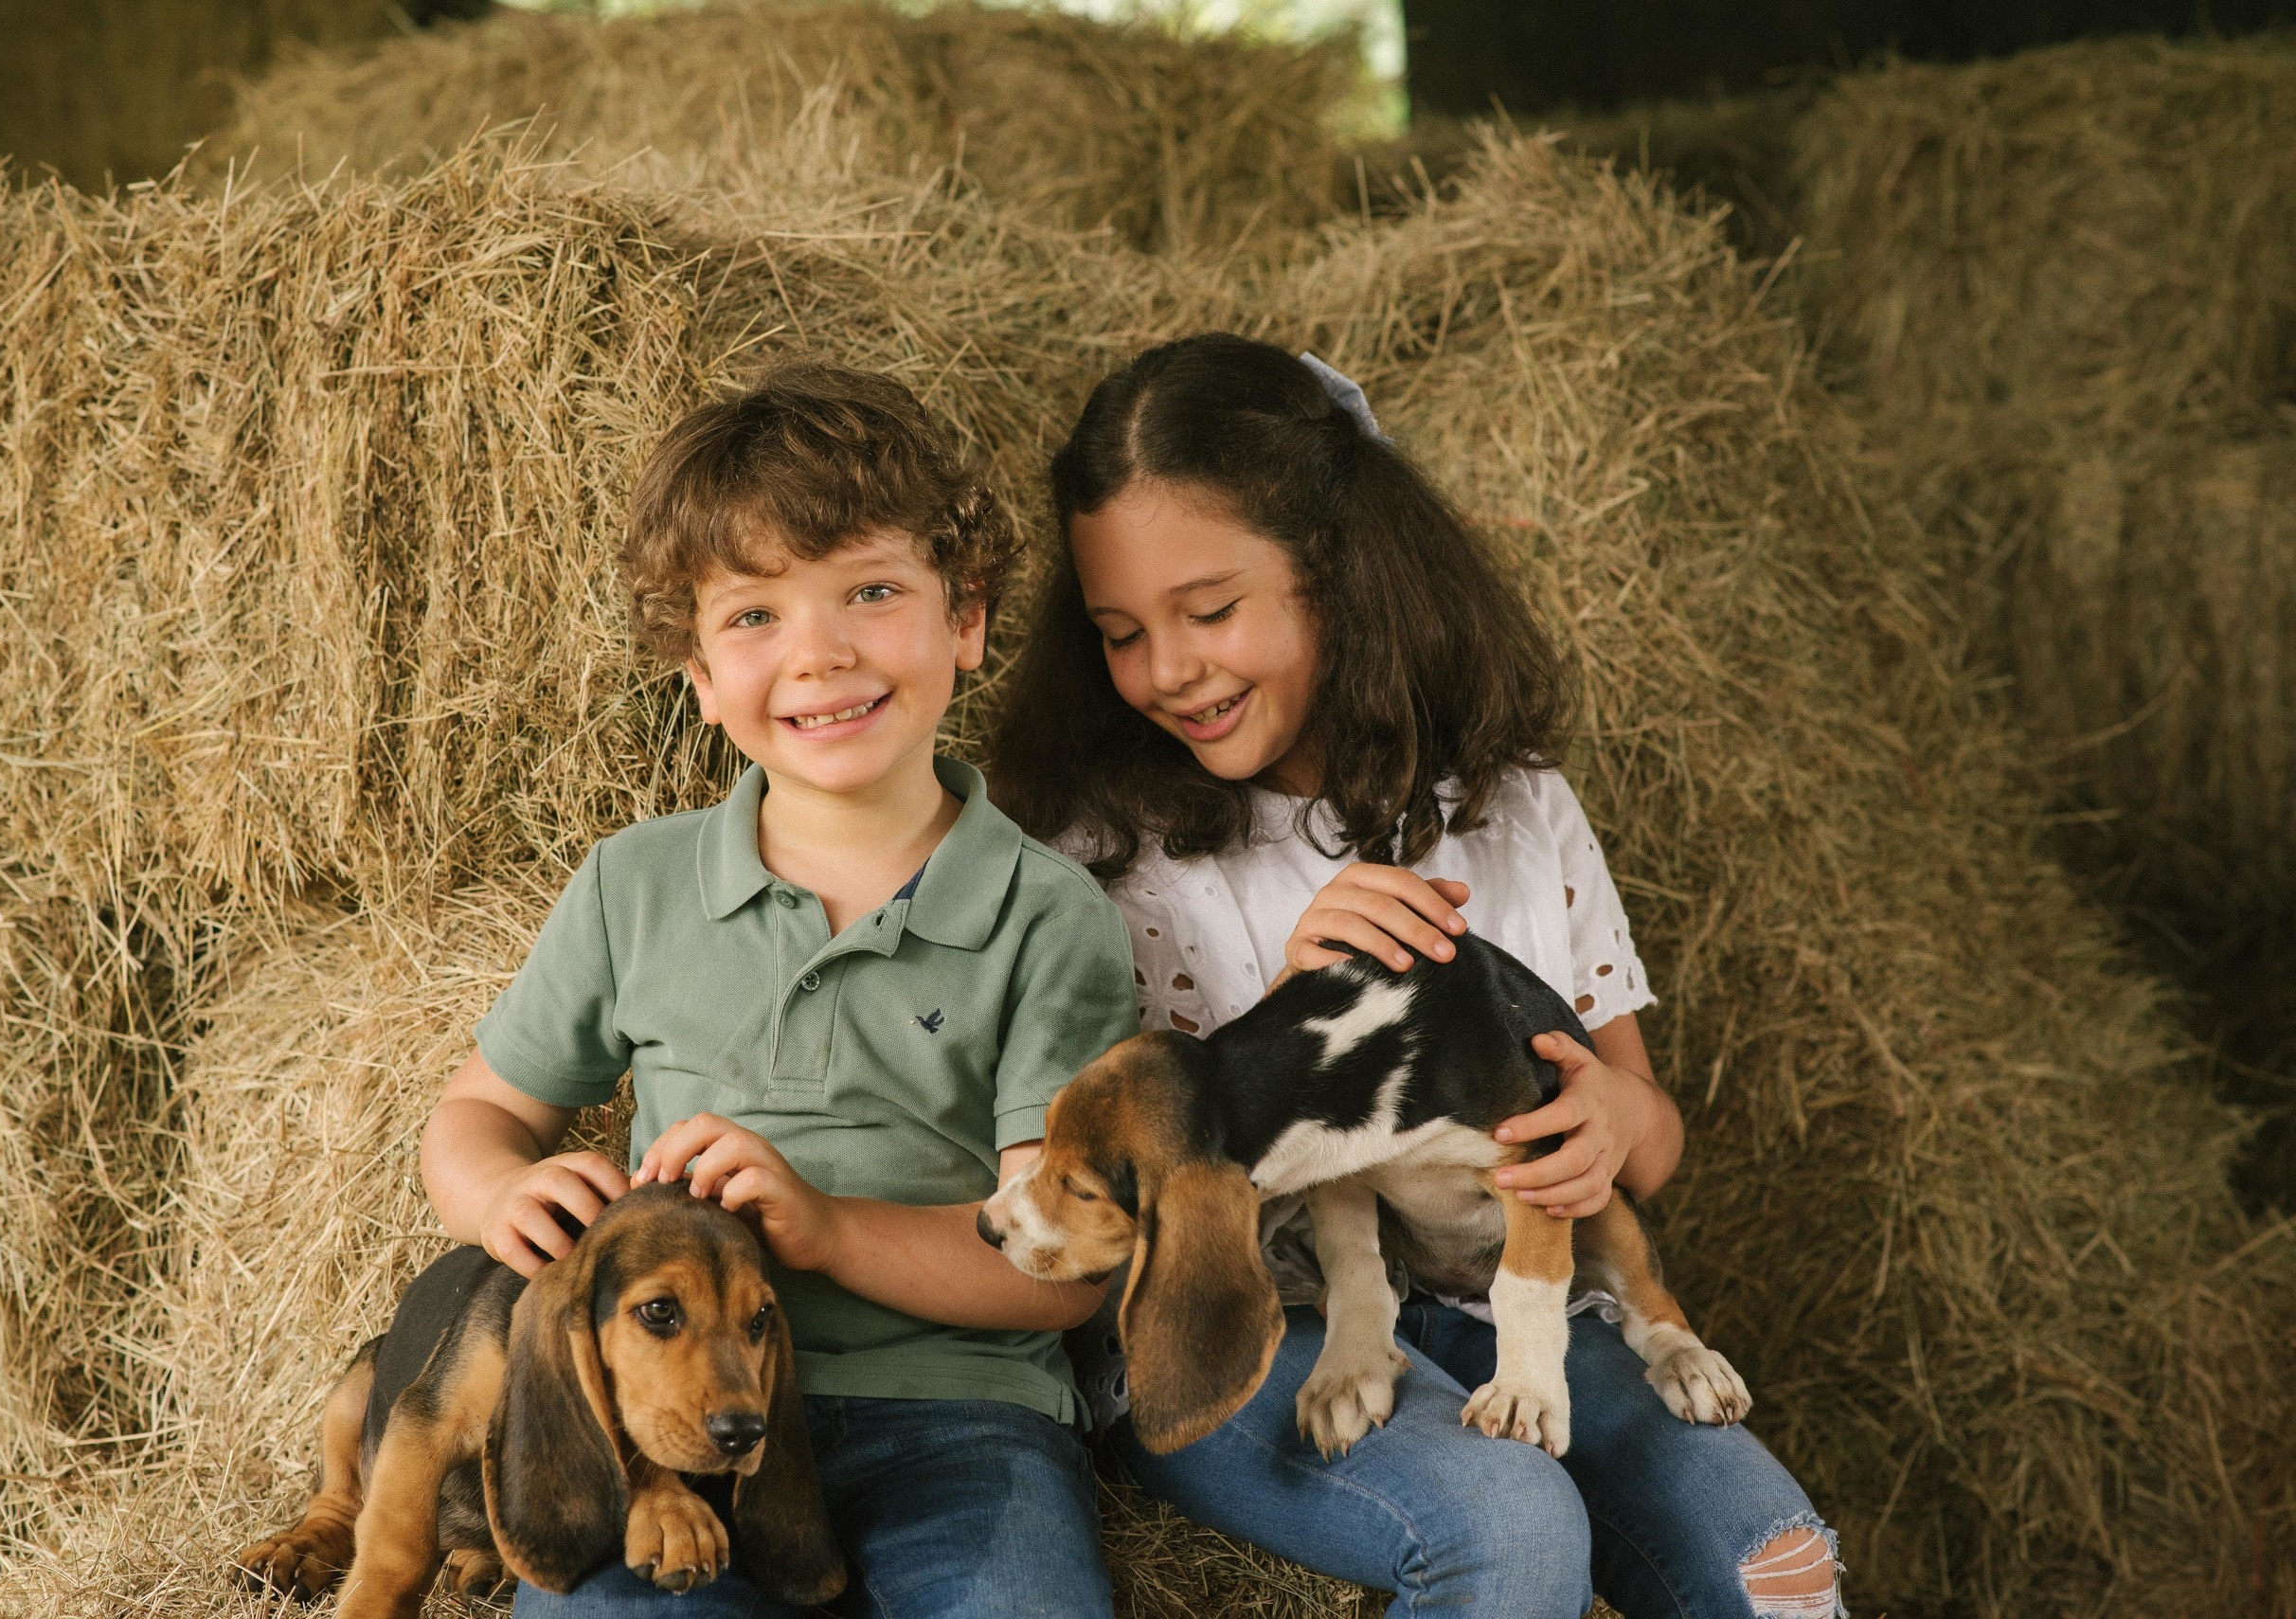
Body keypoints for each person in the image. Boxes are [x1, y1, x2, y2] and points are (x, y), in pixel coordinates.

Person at [989, 333, 1844, 1619]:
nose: (1169, 669)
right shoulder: (1114, 860)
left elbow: (1647, 1140)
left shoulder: (1515, 812)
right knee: (1509, 1524)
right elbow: (1107, 1188)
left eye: (1211, 612)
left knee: (1778, 1566)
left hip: (1516, 1302)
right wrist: (1289, 1018)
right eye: (1121, 633)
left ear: (1337, 574)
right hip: (1236, 1328)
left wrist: (1610, 1123)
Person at [422, 361, 1139, 1617]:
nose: (821, 652)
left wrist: (828, 1227)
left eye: (872, 591)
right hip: (664, 1444)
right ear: (697, 674)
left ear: (965, 619)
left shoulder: (1048, 917)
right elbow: (472, 1117)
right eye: (754, 616)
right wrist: (506, 1193)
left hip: (958, 1427)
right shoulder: (633, 886)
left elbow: (1065, 1261)